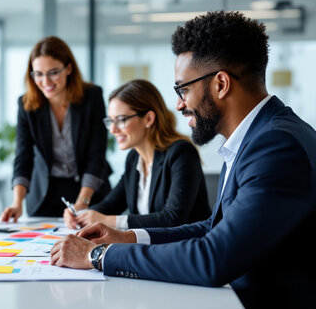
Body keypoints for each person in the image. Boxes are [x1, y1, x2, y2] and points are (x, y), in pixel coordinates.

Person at [50, 11, 316, 309]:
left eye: (182, 89)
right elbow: (213, 227)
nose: (178, 104)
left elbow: (213, 259)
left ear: (221, 84)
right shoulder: (258, 138)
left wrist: (98, 255)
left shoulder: (277, 147)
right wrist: (129, 237)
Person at [64, 79, 210, 230]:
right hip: (149, 248)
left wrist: (110, 221)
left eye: (120, 120)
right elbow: (111, 204)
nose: (113, 130)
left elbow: (173, 218)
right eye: (110, 121)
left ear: (148, 119)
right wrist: (81, 214)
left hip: (186, 248)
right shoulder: (134, 158)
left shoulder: (181, 153)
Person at [1, 36, 111, 221]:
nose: (46, 81)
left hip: (90, 192)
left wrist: (82, 203)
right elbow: (23, 155)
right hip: (45, 194)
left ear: (68, 68)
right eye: (38, 74)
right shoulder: (26, 105)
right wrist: (17, 202)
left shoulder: (92, 97)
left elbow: (96, 154)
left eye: (53, 72)